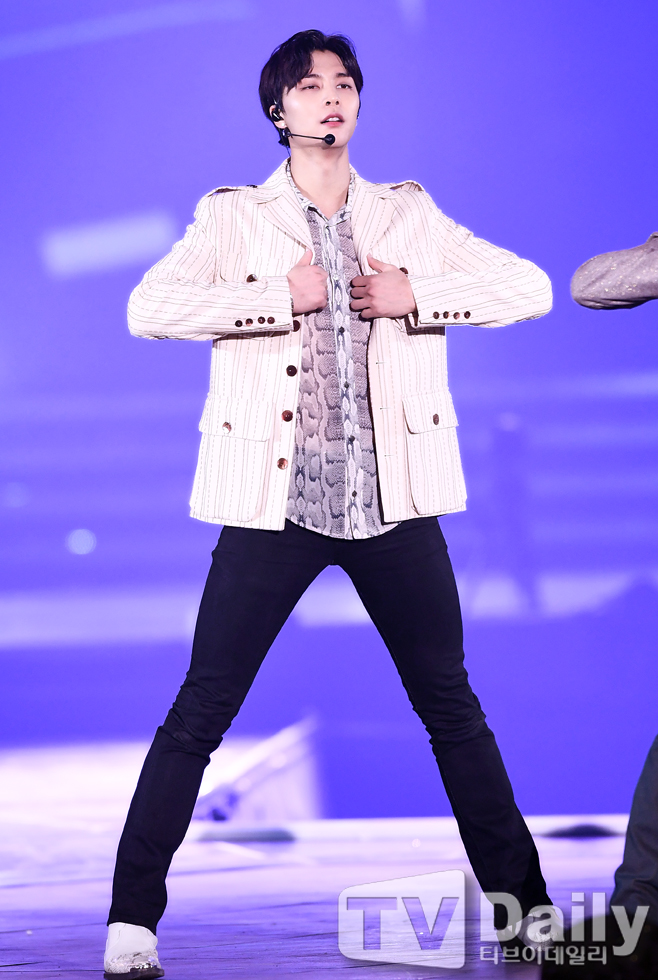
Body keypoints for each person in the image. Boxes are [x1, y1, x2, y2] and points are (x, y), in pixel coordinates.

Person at [103, 29, 554, 978]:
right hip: (276, 505)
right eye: (310, 87)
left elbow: (531, 287)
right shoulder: (234, 216)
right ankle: (131, 923)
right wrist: (280, 295)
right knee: (202, 709)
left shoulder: (406, 211)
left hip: (394, 501)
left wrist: (418, 292)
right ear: (280, 110)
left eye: (344, 83)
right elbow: (150, 309)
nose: (331, 98)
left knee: (452, 709)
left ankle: (529, 916)